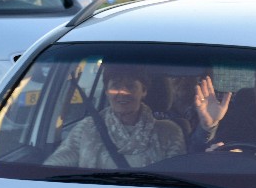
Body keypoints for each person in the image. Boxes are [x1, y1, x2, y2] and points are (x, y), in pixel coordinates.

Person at [44, 64, 185, 169]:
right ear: (106, 91)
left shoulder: (169, 133)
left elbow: (179, 180)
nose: (122, 92)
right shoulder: (87, 128)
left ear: (144, 91)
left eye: (130, 86)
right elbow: (53, 168)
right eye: (115, 86)